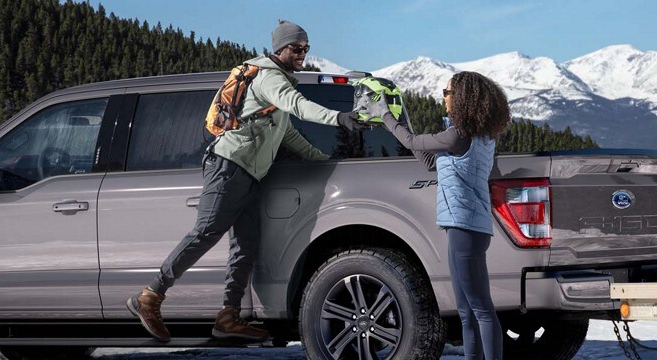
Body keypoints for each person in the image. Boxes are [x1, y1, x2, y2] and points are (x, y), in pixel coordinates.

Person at [127, 19, 368, 343]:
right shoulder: (269, 77)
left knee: (246, 245)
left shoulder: (278, 84)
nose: (303, 53)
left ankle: (228, 316)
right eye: (297, 48)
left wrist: (327, 162)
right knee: (205, 232)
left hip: (250, 174)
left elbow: (289, 134)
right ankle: (150, 296)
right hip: (228, 166)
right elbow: (298, 106)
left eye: (306, 48)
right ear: (280, 48)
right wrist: (338, 117)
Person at [369, 71, 511, 360]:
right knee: (466, 311)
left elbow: (410, 139)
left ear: (462, 98)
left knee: (480, 308)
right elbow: (431, 162)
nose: (443, 98)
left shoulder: (458, 136)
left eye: (446, 93)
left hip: (464, 226)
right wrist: (403, 128)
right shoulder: (478, 137)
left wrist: (385, 115)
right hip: (469, 227)